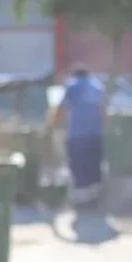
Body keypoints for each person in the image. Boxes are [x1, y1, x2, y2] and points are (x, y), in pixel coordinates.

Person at [50, 65, 106, 205]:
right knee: (93, 164)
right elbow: (103, 111)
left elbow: (61, 108)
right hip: (95, 134)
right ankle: (94, 195)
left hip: (77, 134)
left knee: (78, 165)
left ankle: (82, 198)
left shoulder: (72, 86)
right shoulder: (97, 86)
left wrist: (52, 124)